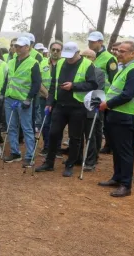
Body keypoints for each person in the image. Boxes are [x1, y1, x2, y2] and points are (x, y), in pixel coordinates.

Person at [34, 42, 97, 176]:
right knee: (53, 133)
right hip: (60, 106)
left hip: (78, 107)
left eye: (71, 56)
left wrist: (73, 86)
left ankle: (70, 164)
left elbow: (92, 84)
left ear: (77, 52)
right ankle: (49, 162)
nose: (68, 59)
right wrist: (50, 102)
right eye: (66, 55)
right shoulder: (60, 63)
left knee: (75, 138)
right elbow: (53, 84)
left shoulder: (87, 65)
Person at [95, 41, 134, 197]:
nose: (118, 53)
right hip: (115, 114)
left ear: (133, 53)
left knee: (125, 152)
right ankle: (117, 177)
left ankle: (126, 184)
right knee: (117, 150)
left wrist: (107, 104)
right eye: (118, 50)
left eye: (123, 51)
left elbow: (127, 94)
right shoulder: (124, 68)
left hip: (126, 117)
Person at [1, 36, 41, 166]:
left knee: (27, 128)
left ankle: (30, 156)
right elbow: (8, 79)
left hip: (24, 100)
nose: (17, 48)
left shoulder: (33, 63)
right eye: (16, 46)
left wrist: (29, 98)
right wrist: (2, 93)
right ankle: (15, 152)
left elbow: (36, 83)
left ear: (28, 47)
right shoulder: (12, 61)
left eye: (20, 46)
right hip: (10, 98)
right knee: (11, 127)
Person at [87, 31, 117, 154]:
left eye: (93, 42)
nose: (90, 44)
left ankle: (96, 151)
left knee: (98, 125)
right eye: (89, 41)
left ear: (100, 42)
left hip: (102, 96)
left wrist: (108, 98)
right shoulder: (88, 55)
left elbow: (114, 80)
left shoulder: (109, 58)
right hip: (89, 95)